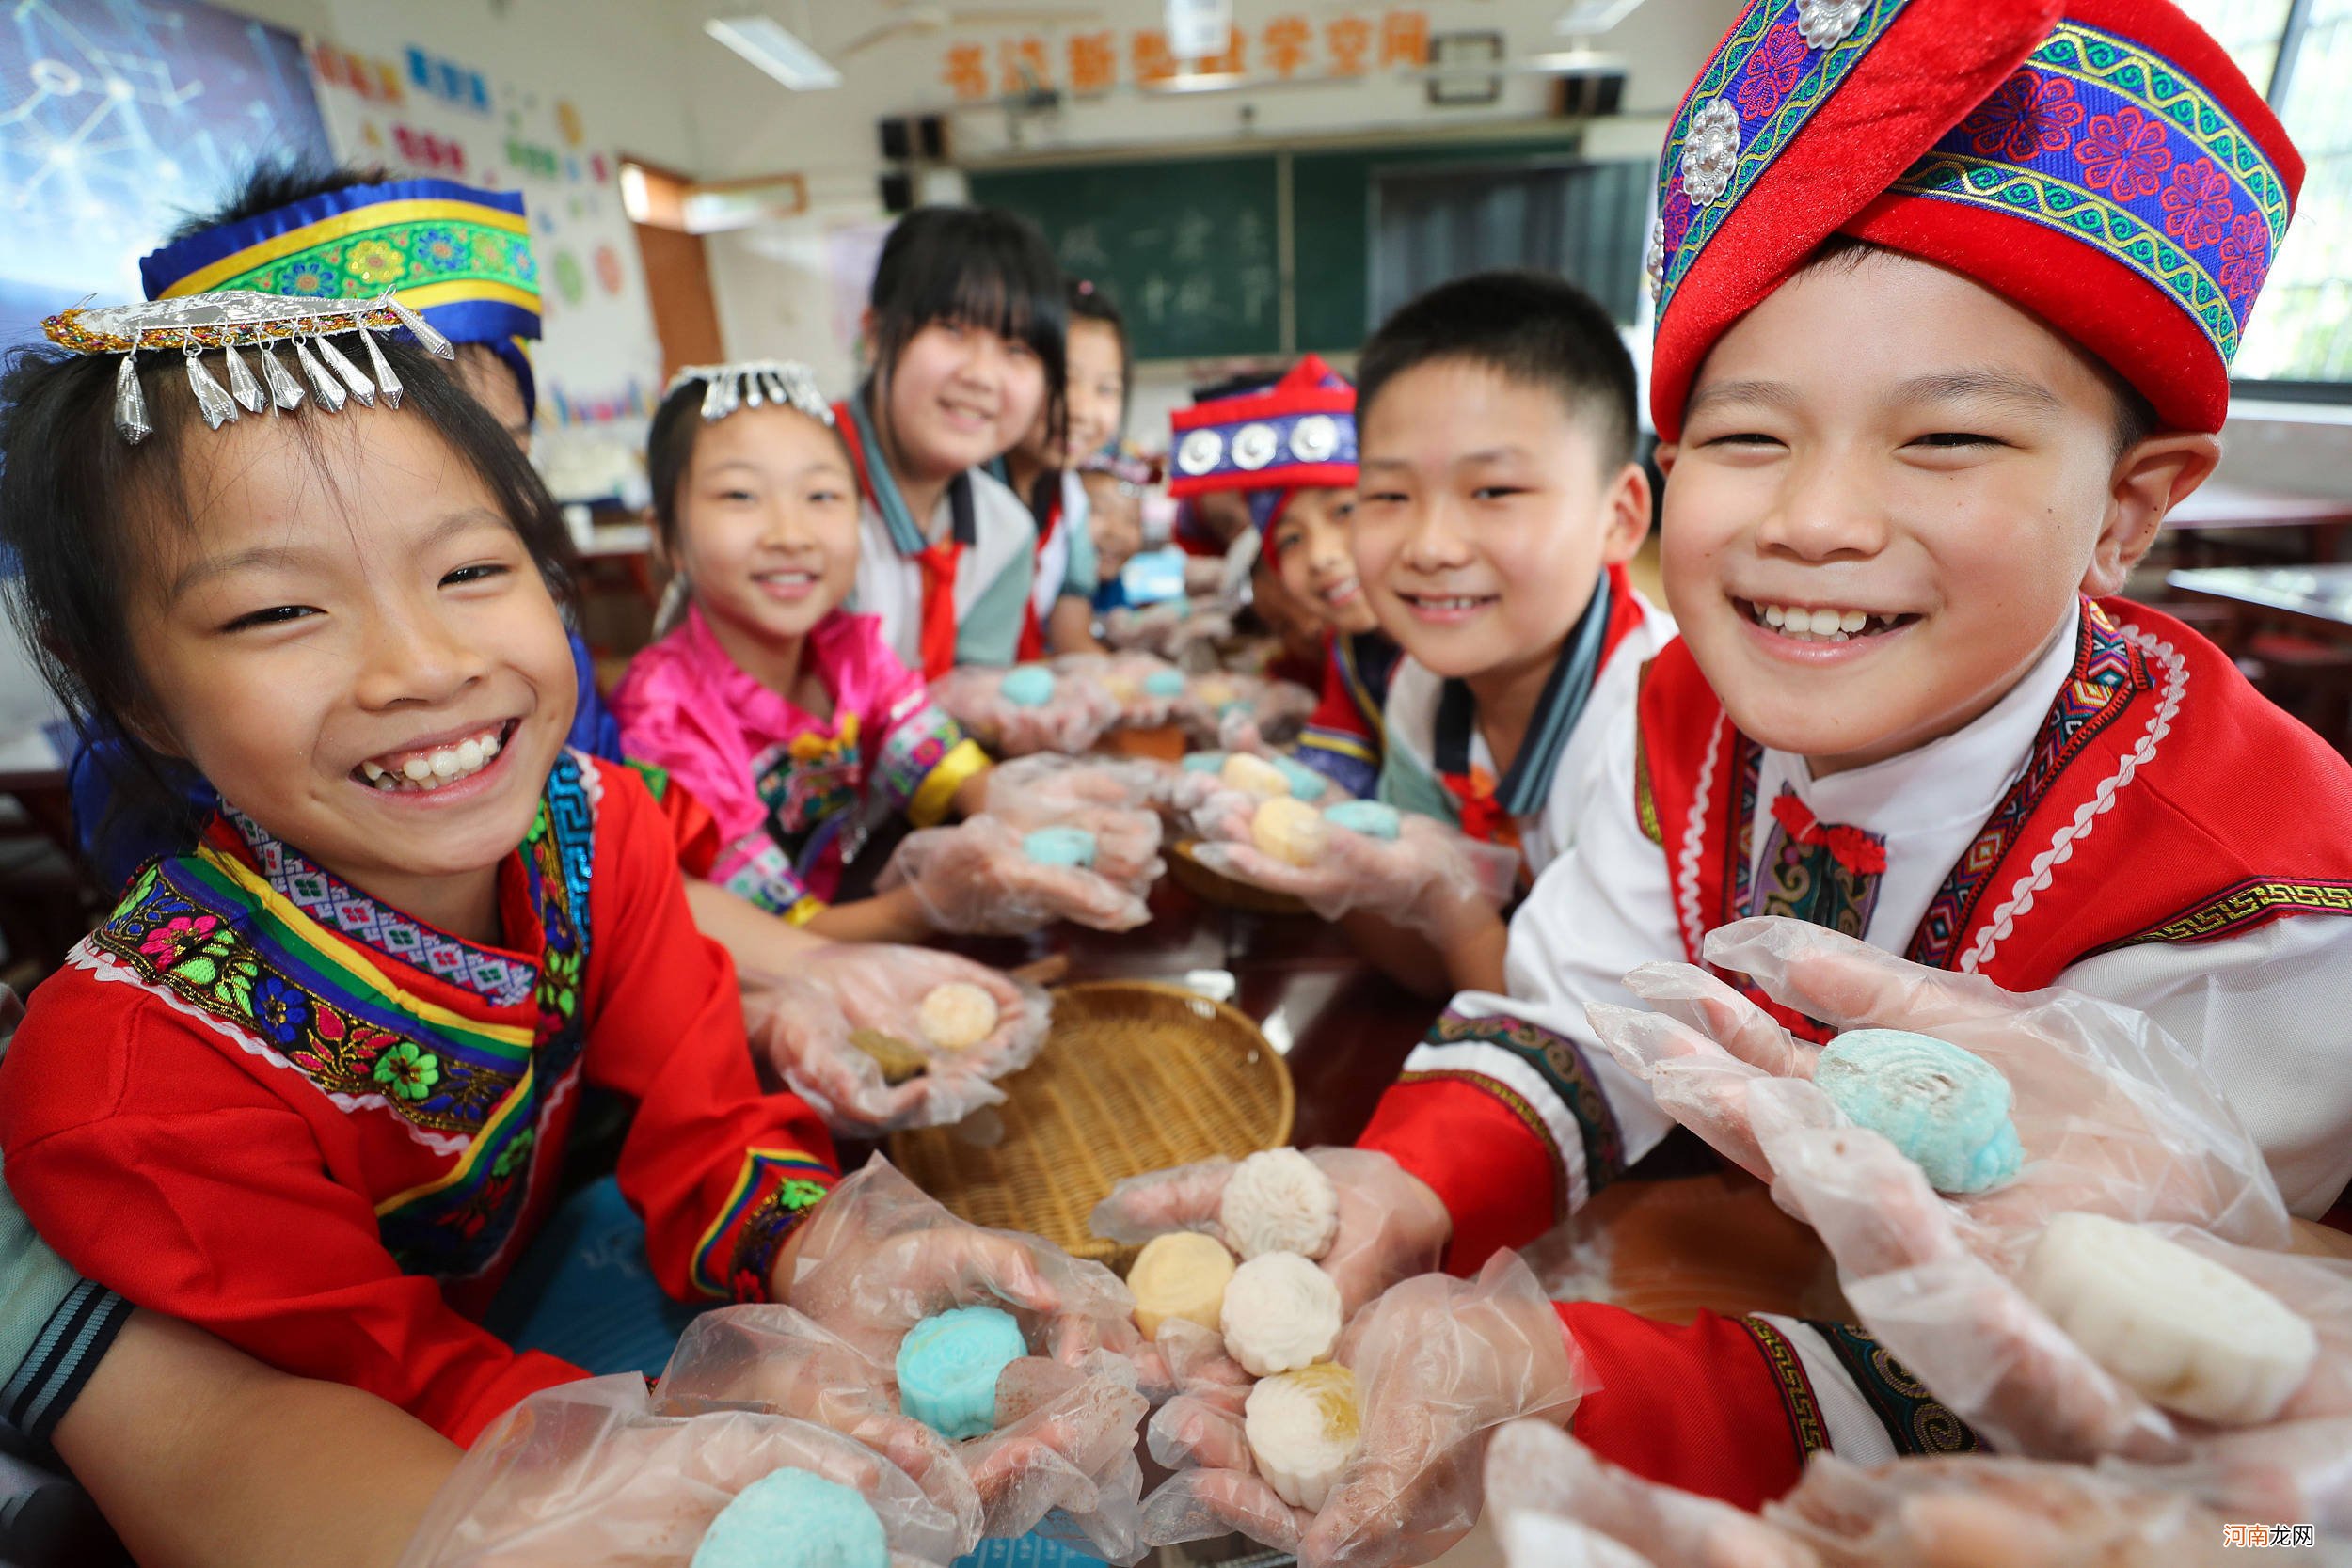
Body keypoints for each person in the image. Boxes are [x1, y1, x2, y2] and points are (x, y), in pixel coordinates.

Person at [1114, 0, 2349, 1546]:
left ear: (2130, 507)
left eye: (1949, 439)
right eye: (1752, 436)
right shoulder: (1687, 713)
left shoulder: (2254, 903)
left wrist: (1570, 1384)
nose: (1815, 521)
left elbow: (2112, 1395)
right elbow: (1585, 1005)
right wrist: (1405, 1191)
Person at [0, 292, 860, 1448]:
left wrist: (840, 1257)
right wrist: (697, 1456)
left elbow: (711, 1129)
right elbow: (390, 1397)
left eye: (468, 571)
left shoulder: (600, 830)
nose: (423, 666)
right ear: (131, 688)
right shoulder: (132, 1079)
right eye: (278, 610)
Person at [63, 162, 629, 894]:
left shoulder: (552, 665)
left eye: (509, 451)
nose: (430, 666)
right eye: (279, 610)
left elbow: (618, 862)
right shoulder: (167, 764)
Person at [612, 361, 1159, 943]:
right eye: (741, 495)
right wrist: (932, 904)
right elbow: (770, 935)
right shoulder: (662, 719)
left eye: (821, 494)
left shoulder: (851, 648)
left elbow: (936, 762)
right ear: (667, 535)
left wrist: (1038, 811)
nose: (790, 533)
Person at [839, 205, 1063, 677]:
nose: (981, 376)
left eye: (1017, 349)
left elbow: (971, 703)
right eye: (952, 329)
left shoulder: (1003, 530)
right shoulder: (798, 496)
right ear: (877, 335)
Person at [1167, 354, 1400, 800]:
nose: (1321, 557)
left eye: (1344, 511)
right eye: (1291, 539)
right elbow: (1338, 769)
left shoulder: (1454, 642)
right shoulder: (1350, 651)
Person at [1001, 278, 1129, 657]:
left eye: (1106, 389)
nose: (1082, 410)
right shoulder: (969, 490)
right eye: (1063, 380)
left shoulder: (1070, 499)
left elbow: (1072, 638)